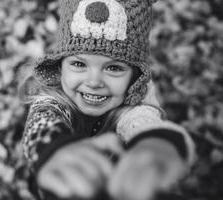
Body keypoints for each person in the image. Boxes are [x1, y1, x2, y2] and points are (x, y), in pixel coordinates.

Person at [20, 0, 195, 200]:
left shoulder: (131, 108)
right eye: (78, 64)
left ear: (134, 76)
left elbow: (144, 122)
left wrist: (155, 145)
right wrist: (52, 150)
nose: (94, 82)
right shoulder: (52, 101)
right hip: (62, 186)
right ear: (60, 68)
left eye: (113, 68)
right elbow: (40, 125)